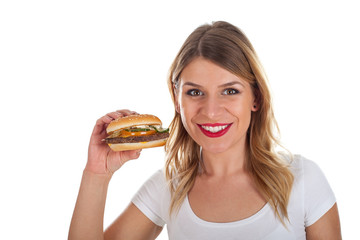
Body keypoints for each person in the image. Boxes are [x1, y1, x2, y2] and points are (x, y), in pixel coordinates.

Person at [69, 21, 341, 239]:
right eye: (195, 92)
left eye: (230, 91)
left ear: (255, 98)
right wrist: (96, 174)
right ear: (177, 100)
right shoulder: (167, 188)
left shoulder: (303, 181)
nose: (211, 111)